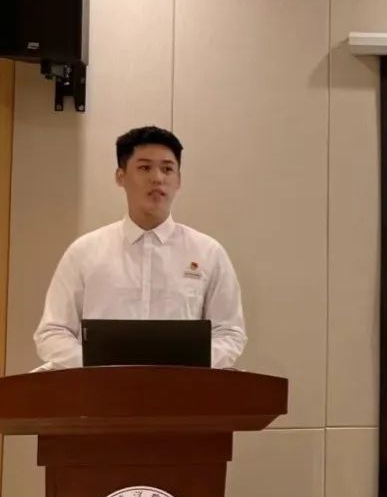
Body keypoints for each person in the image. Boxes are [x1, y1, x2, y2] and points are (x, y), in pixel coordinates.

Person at [33, 125, 247, 369]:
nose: (157, 178)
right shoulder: (84, 252)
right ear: (120, 176)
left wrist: (185, 366)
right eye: (145, 168)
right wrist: (99, 368)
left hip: (182, 388)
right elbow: (52, 331)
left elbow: (229, 332)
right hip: (98, 388)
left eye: (167, 169)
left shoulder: (208, 252)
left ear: (178, 180)